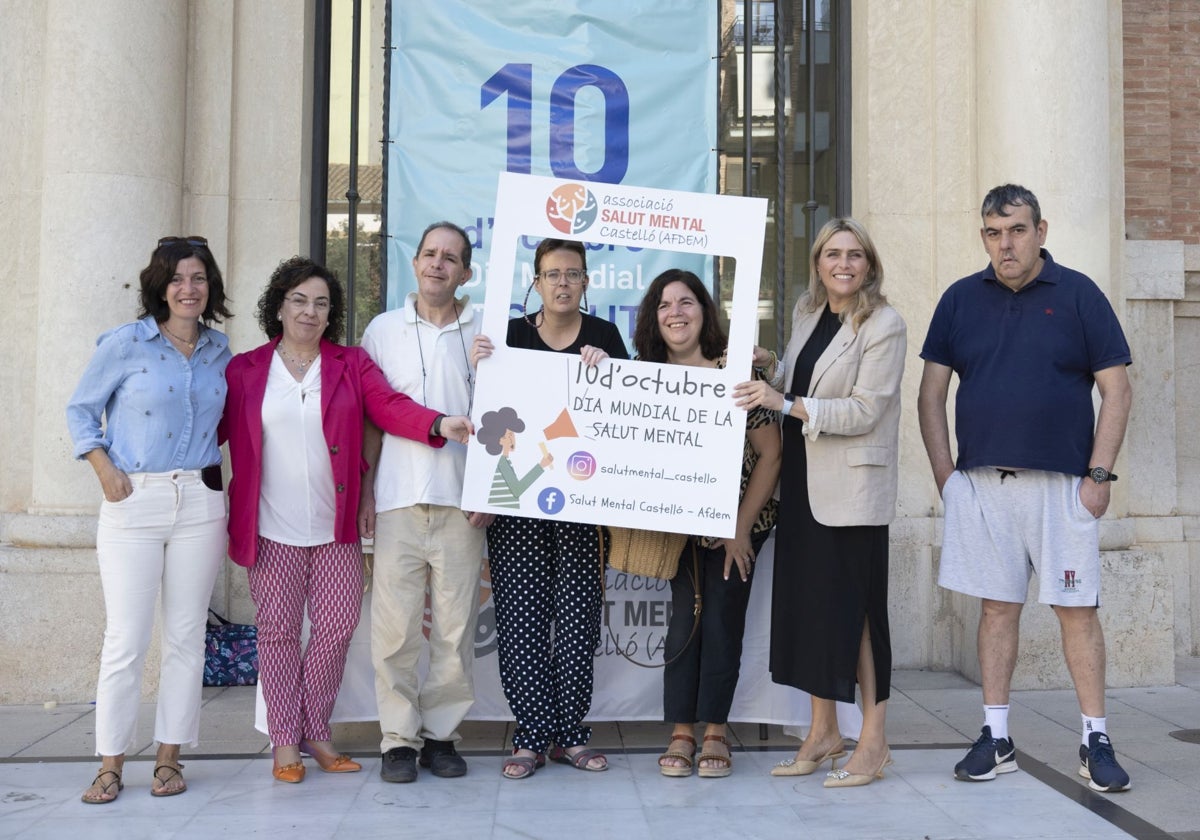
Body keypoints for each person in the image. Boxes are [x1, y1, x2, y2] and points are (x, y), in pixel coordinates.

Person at [221, 256, 472, 784]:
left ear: (331, 314)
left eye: (321, 303)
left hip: (335, 528)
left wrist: (437, 423)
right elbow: (207, 426)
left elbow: (387, 405)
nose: (310, 312)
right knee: (279, 635)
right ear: (280, 306)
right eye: (299, 301)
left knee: (336, 631)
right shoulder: (244, 370)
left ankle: (315, 728)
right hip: (269, 529)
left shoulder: (349, 364)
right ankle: (287, 741)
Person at [917, 184, 1134, 792]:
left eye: (1015, 230)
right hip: (984, 487)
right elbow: (930, 395)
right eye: (992, 232)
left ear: (1041, 230)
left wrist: (1098, 475)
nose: (1004, 244)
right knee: (995, 610)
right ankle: (997, 736)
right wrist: (946, 478)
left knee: (1076, 610)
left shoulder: (1079, 294)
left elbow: (1116, 390)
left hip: (1063, 488)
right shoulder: (960, 299)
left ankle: (1095, 739)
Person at [735, 217, 906, 788]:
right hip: (805, 485)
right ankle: (824, 733)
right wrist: (770, 369)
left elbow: (862, 410)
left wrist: (782, 400)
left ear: (869, 265)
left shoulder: (884, 324)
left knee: (859, 616)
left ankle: (874, 741)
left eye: (855, 255)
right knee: (813, 610)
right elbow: (801, 383)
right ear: (818, 262)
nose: (843, 264)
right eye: (833, 254)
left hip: (853, 493)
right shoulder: (808, 315)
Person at [67, 235, 233, 803]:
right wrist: (103, 468)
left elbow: (227, 423)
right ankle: (110, 765)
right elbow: (81, 411)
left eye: (199, 278)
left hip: (202, 502)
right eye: (178, 278)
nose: (188, 289)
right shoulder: (124, 344)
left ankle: (169, 759)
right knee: (127, 638)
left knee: (187, 637)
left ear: (210, 287)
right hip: (133, 501)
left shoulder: (220, 351)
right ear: (159, 285)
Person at [471, 238, 628, 779]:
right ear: (535, 283)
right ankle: (532, 734)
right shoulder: (509, 337)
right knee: (521, 622)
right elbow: (484, 413)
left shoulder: (605, 337)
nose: (562, 282)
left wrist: (609, 373)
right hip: (517, 502)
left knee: (579, 621)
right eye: (551, 273)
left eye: (572, 273)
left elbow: (626, 420)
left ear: (586, 283)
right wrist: (478, 367)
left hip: (582, 505)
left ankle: (571, 734)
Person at [358, 221, 494, 784]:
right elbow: (372, 416)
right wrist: (366, 490)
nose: (438, 264)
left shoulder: (487, 331)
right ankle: (397, 740)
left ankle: (441, 737)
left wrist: (491, 490)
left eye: (451, 258)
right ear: (414, 264)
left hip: (463, 501)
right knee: (394, 630)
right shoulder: (382, 330)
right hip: (396, 500)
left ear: (466, 272)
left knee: (456, 631)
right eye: (429, 254)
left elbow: (509, 419)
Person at [637, 269, 780, 779]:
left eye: (687, 302)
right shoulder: (642, 375)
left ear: (704, 311)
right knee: (683, 624)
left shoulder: (736, 371)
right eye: (664, 305)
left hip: (742, 523)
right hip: (675, 528)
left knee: (722, 622)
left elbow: (771, 454)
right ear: (654, 318)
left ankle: (715, 730)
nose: (676, 312)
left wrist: (738, 528)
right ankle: (681, 730)